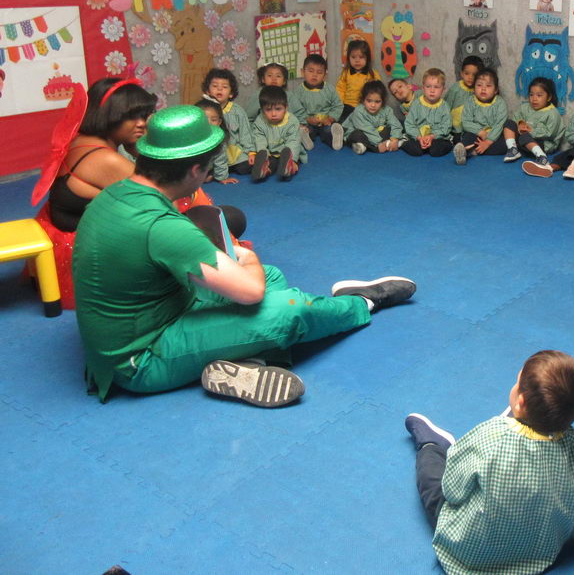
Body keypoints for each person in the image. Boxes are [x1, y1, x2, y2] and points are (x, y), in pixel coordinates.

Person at [72, 104, 416, 405]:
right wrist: (245, 257)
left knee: (275, 277)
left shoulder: (117, 192)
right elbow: (249, 292)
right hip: (141, 359)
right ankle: (361, 303)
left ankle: (253, 365)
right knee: (287, 307)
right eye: (208, 168)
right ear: (196, 171)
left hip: (160, 310)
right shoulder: (162, 226)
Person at [404, 350, 574, 574]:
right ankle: (534, 425)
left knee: (432, 481)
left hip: (465, 555)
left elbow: (452, 490)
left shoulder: (491, 436)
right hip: (535, 557)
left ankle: (430, 444)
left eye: (517, 382)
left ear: (519, 401)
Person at [33, 78, 157, 310]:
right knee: (216, 218)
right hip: (88, 246)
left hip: (69, 223)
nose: (141, 124)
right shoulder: (107, 159)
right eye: (131, 117)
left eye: (145, 116)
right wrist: (142, 150)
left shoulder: (81, 140)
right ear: (108, 115)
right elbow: (162, 198)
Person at [501, 77, 565, 166]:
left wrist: (531, 131)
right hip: (524, 138)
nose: (534, 99)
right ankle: (512, 149)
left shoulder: (553, 113)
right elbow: (516, 118)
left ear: (549, 97)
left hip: (543, 143)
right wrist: (520, 124)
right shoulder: (525, 107)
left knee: (524, 137)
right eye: (531, 95)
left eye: (539, 95)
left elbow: (550, 133)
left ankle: (541, 157)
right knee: (509, 123)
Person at [288, 53, 344, 151]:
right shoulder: (298, 91)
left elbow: (338, 105)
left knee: (327, 131)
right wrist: (307, 119)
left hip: (325, 122)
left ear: (325, 75)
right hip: (308, 122)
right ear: (302, 72)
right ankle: (305, 139)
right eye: (310, 71)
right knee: (305, 130)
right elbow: (295, 109)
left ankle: (335, 138)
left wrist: (330, 118)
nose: (315, 75)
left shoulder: (329, 89)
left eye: (319, 72)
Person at [202, 68, 253, 175]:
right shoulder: (203, 110)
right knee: (205, 171)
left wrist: (251, 152)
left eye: (224, 87)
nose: (219, 89)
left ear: (231, 93)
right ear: (207, 91)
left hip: (235, 154)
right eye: (215, 86)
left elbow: (246, 134)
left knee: (245, 168)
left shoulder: (237, 111)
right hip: (213, 156)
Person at [453, 68, 508, 164]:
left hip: (493, 135)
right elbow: (466, 122)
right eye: (479, 85)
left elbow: (500, 124)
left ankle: (472, 151)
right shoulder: (470, 101)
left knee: (504, 145)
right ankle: (464, 149)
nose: (483, 89)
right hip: (476, 134)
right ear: (474, 88)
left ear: (495, 90)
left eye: (488, 86)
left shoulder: (500, 103)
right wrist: (480, 132)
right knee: (467, 137)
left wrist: (488, 141)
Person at [251, 85, 305, 182]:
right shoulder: (260, 121)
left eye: (278, 109)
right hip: (271, 154)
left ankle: (291, 167)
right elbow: (259, 139)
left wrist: (292, 158)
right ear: (262, 110)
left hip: (289, 153)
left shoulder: (292, 121)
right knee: (271, 163)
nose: (273, 114)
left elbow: (293, 141)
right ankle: (265, 170)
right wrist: (263, 152)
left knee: (289, 165)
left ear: (286, 107)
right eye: (268, 110)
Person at [402, 69, 453, 157]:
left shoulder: (445, 106)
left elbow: (446, 126)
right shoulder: (416, 104)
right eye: (428, 86)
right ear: (423, 88)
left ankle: (431, 146)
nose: (432, 90)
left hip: (436, 137)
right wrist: (419, 137)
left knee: (437, 150)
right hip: (418, 137)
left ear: (443, 90)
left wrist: (432, 136)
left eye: (436, 87)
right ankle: (409, 144)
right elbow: (409, 124)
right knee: (416, 150)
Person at [345, 79, 404, 154]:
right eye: (369, 101)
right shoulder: (359, 111)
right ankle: (368, 147)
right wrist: (378, 144)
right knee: (357, 135)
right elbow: (367, 130)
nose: (373, 105)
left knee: (389, 129)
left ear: (382, 101)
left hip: (376, 132)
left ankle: (364, 146)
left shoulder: (387, 110)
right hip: (361, 131)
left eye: (377, 101)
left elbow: (395, 124)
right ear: (363, 100)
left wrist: (395, 139)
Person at [193, 99, 237, 185]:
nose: (209, 123)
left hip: (206, 168)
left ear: (219, 122)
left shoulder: (218, 140)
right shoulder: (190, 138)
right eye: (204, 119)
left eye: (213, 120)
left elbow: (220, 160)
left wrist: (222, 177)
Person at [336, 39, 379, 122]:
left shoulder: (372, 74)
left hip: (366, 106)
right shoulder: (345, 73)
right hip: (347, 106)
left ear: (367, 58)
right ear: (348, 58)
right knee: (342, 122)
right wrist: (339, 104)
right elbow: (340, 89)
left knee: (367, 122)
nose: (357, 60)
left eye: (361, 57)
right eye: (353, 57)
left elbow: (378, 90)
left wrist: (374, 103)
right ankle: (341, 133)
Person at [445, 54, 482, 136]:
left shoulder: (479, 91)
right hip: (454, 129)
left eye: (474, 75)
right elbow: (446, 107)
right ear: (461, 73)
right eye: (467, 73)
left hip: (471, 130)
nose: (470, 77)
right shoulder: (455, 88)